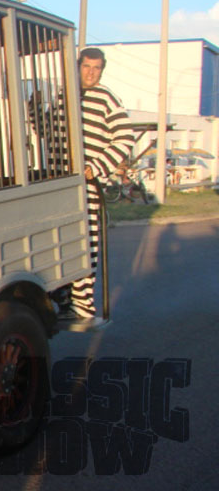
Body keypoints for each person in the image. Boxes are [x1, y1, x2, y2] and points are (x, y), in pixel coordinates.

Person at [63, 47, 135, 319]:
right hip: (63, 184)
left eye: (97, 68)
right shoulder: (65, 95)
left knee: (86, 243)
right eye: (87, 66)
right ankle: (64, 299)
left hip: (88, 187)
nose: (91, 73)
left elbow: (126, 137)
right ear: (77, 65)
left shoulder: (106, 98)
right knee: (64, 243)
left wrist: (97, 166)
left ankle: (83, 306)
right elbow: (50, 132)